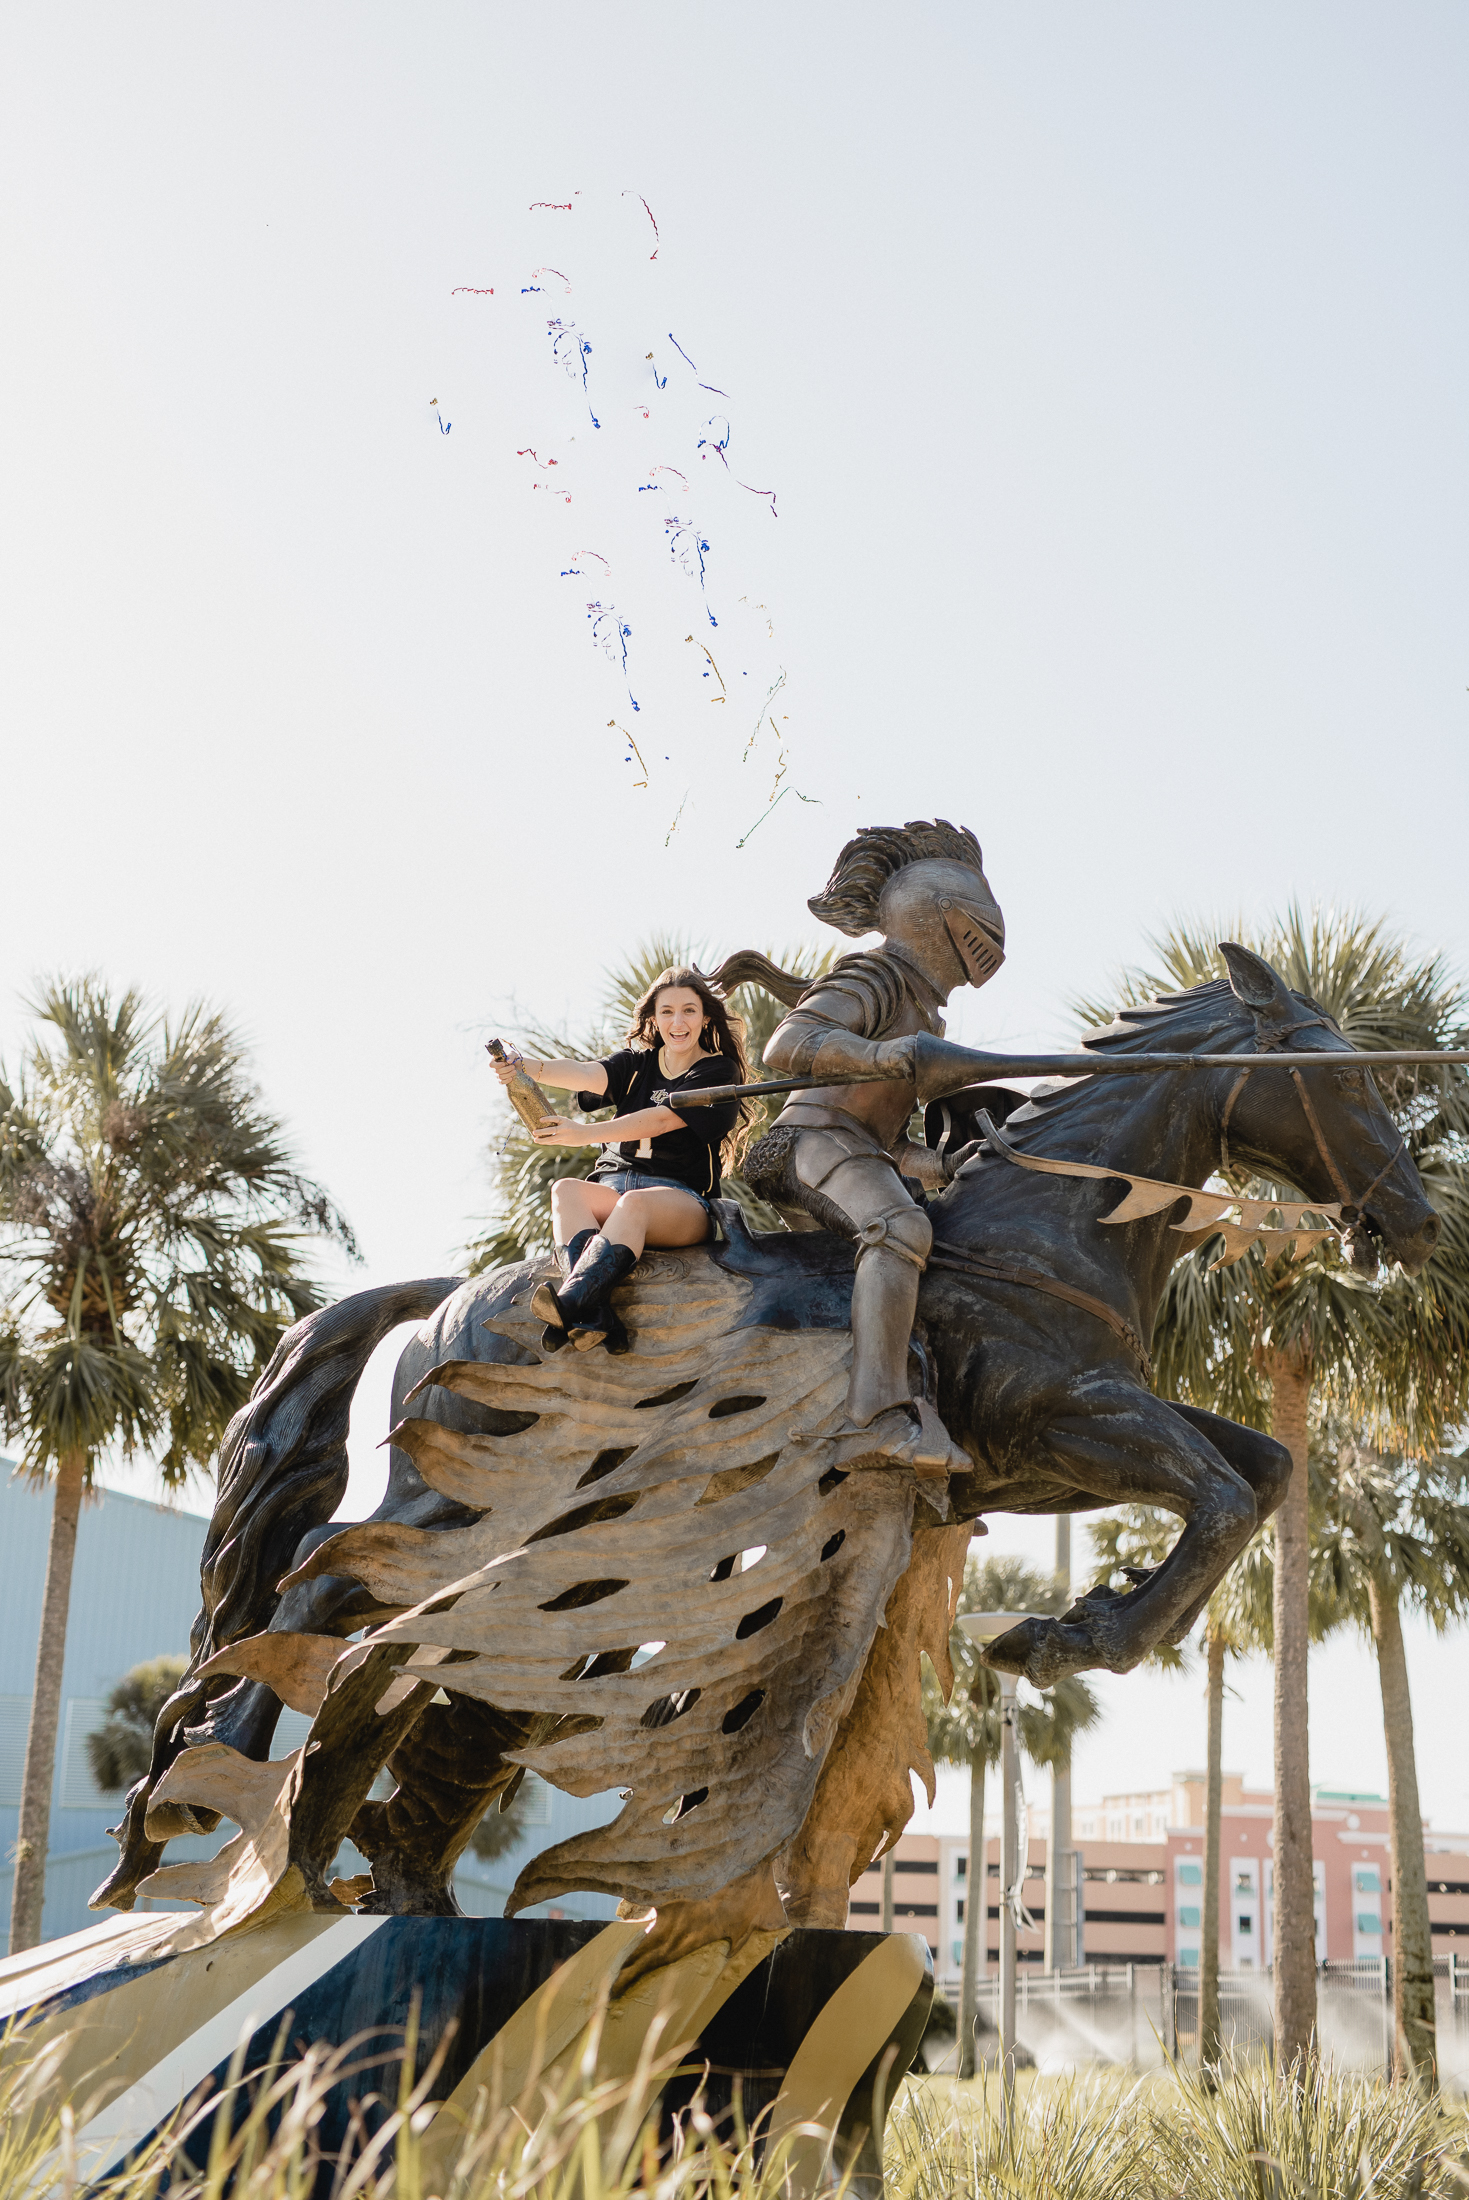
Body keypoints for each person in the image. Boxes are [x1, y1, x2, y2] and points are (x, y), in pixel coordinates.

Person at [742, 819, 1005, 1476]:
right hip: (806, 1143)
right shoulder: (877, 973)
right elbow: (788, 1042)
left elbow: (889, 1143)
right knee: (896, 1227)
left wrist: (940, 1164)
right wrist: (887, 1054)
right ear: (943, 917)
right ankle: (876, 1420)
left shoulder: (924, 1009)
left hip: (854, 1150)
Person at [490, 968, 746, 1353]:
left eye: (689, 1011)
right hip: (611, 1192)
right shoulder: (636, 1065)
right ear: (654, 1019)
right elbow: (583, 1073)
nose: (678, 1022)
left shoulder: (716, 1071)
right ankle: (594, 1315)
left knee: (634, 1203)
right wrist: (524, 1066)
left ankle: (572, 1303)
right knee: (567, 1190)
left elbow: (663, 1120)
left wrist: (584, 1134)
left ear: (705, 1017)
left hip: (679, 1204)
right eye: (668, 1012)